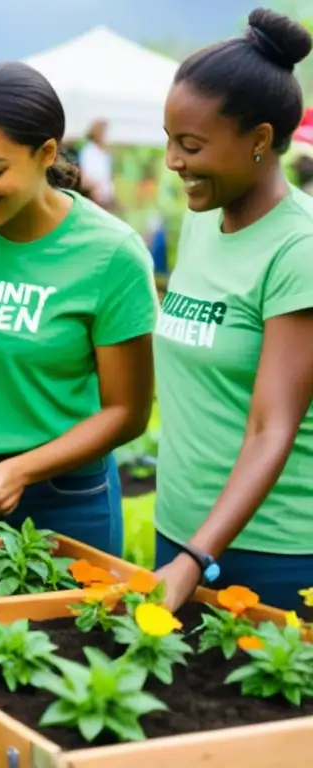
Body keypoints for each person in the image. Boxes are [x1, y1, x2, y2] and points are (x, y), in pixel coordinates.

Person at [0, 61, 158, 555]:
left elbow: (127, 412)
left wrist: (22, 469)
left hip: (62, 498)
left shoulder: (110, 254)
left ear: (47, 153)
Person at [155, 8, 313, 612]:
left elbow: (273, 426)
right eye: (168, 140)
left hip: (271, 555)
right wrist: (184, 549)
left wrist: (198, 557)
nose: (172, 161)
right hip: (180, 535)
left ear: (260, 140)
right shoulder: (204, 223)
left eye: (190, 145)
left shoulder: (297, 250)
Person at [78, 118, 118, 211]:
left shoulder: (104, 154)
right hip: (96, 199)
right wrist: (96, 190)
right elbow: (86, 178)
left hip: (105, 199)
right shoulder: (88, 152)